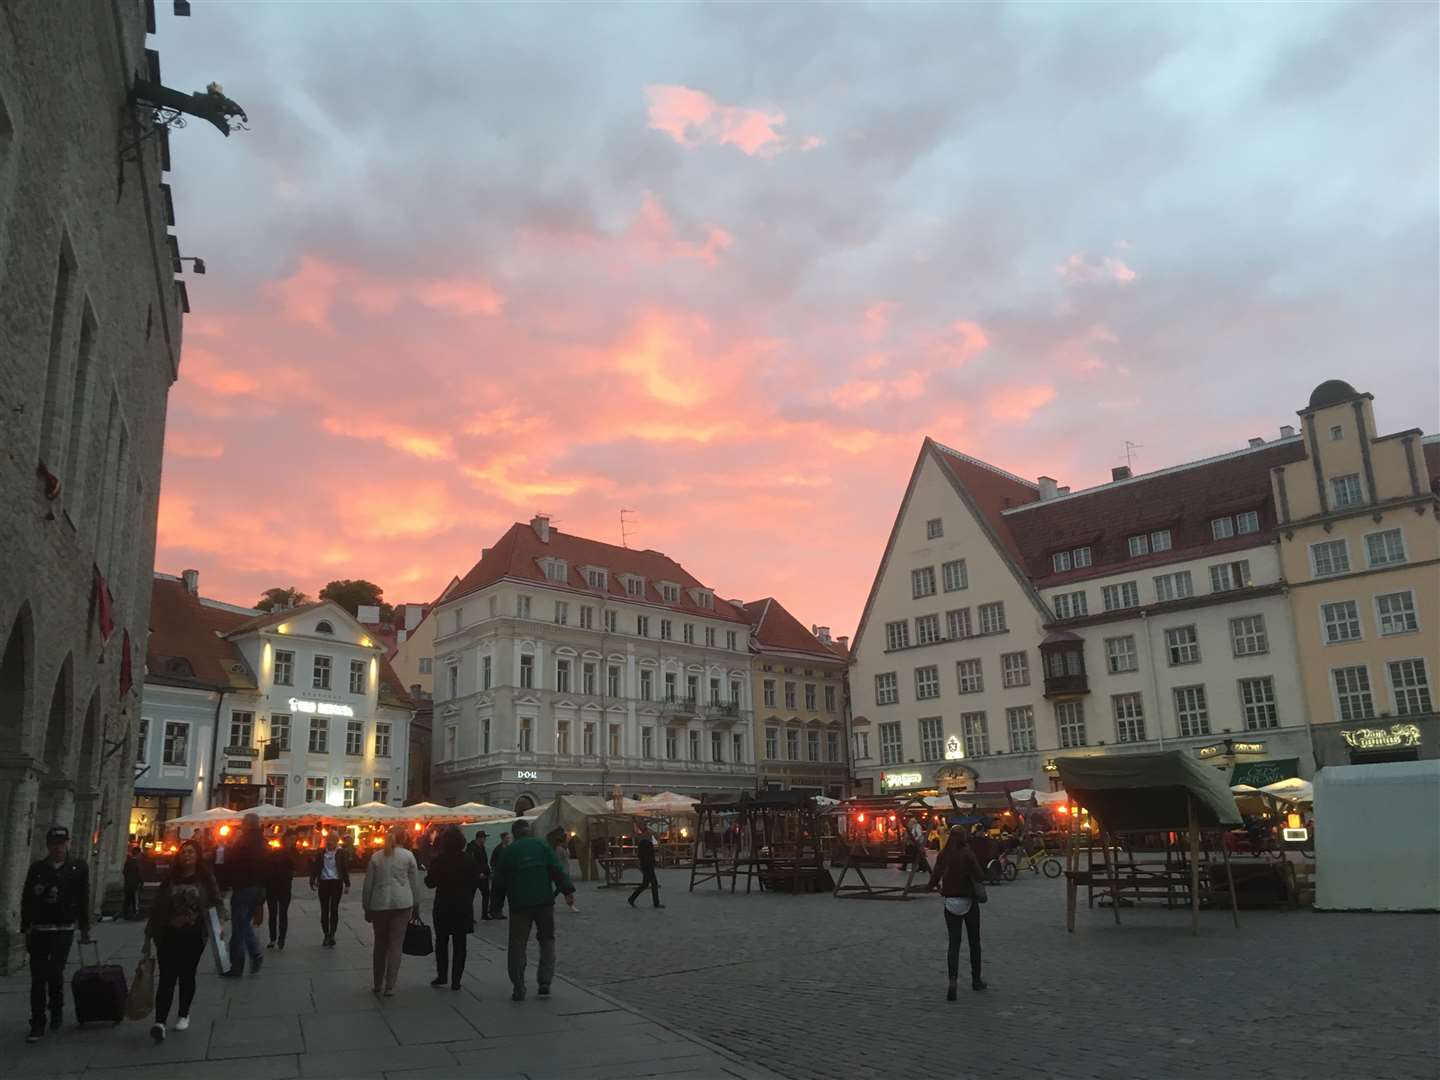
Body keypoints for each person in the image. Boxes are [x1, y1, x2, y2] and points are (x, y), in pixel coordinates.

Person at [145, 839, 223, 1041]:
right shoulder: (170, 879)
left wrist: (219, 924)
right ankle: (160, 1021)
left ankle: (183, 1013)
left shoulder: (205, 878)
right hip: (169, 933)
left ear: (197, 856)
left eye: (190, 852)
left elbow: (216, 901)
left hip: (194, 935)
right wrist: (148, 934)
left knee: (187, 975)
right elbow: (157, 907)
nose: (186, 855)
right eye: (183, 852)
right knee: (166, 977)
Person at [20, 825, 92, 1043]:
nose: (58, 848)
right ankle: (38, 1021)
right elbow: (27, 897)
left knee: (54, 970)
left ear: (67, 844)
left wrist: (85, 927)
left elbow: (83, 897)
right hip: (40, 928)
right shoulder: (38, 869)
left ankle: (57, 1008)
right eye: (54, 844)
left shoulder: (77, 868)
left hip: (64, 928)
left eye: (61, 844)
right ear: (48, 846)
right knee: (38, 976)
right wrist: (25, 925)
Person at [492, 820, 575, 1001]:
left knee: (517, 944)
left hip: (519, 905)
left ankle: (518, 986)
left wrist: (496, 907)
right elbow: (557, 870)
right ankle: (544, 982)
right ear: (529, 832)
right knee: (547, 940)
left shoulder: (509, 852)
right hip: (544, 902)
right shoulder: (542, 846)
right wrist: (567, 891)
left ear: (514, 834)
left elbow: (498, 882)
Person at [362, 827, 421, 996]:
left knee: (380, 944)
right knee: (396, 945)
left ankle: (377, 983)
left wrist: (366, 906)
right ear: (404, 838)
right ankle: (390, 985)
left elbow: (368, 885)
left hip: (379, 904)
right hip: (402, 903)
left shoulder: (376, 856)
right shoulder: (408, 856)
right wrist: (416, 905)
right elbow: (415, 883)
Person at [929, 826, 986, 999]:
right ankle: (976, 980)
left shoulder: (944, 855)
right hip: (968, 901)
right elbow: (980, 876)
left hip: (950, 903)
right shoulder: (967, 854)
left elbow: (934, 877)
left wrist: (930, 887)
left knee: (954, 944)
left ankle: (952, 981)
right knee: (974, 942)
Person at [425, 827, 478, 990]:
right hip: (462, 905)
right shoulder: (469, 859)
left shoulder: (439, 860)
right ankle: (456, 980)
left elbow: (430, 883)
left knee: (441, 941)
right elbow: (475, 882)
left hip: (443, 905)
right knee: (460, 944)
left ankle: (442, 976)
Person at [217, 813, 266, 977]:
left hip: (243, 887)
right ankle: (242, 961)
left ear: (247, 824)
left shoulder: (244, 842)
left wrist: (225, 849)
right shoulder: (262, 841)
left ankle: (249, 957)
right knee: (241, 925)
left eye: (243, 823)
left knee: (240, 925)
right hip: (257, 887)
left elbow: (232, 862)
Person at [309, 831, 351, 947]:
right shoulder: (321, 853)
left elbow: (344, 868)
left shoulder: (341, 853)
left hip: (336, 882)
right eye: (328, 839)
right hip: (324, 882)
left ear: (336, 841)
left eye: (332, 840)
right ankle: (326, 934)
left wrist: (347, 884)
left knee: (334, 909)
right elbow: (316, 867)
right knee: (324, 909)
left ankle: (332, 934)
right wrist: (312, 880)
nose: (329, 842)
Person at [264, 839, 293, 950]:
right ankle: (281, 939)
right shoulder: (287, 856)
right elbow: (294, 868)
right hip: (284, 889)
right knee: (282, 914)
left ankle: (273, 939)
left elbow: (264, 873)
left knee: (273, 914)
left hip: (271, 889)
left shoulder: (267, 858)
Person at [627, 822, 663, 909]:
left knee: (645, 884)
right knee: (653, 883)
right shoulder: (644, 843)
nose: (650, 834)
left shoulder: (645, 842)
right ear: (646, 833)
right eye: (648, 832)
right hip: (647, 866)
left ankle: (632, 899)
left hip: (647, 865)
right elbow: (645, 856)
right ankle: (656, 903)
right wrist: (650, 864)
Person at [465, 831, 492, 921]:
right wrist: (478, 873)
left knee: (486, 894)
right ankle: (469, 917)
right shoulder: (471, 848)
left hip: (483, 876)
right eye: (484, 838)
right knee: (470, 897)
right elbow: (471, 862)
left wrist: (488, 872)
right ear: (479, 838)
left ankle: (484, 914)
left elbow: (484, 861)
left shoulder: (482, 847)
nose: (485, 839)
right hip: (474, 877)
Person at [488, 833, 511, 919]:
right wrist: (495, 870)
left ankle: (498, 911)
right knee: (497, 894)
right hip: (499, 875)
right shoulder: (498, 849)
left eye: (509, 838)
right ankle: (494, 911)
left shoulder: (508, 848)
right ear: (503, 838)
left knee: (502, 895)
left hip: (506, 875)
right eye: (507, 838)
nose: (508, 839)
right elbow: (492, 861)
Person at [123, 846, 144, 920]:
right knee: (134, 899)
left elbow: (124, 872)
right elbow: (139, 874)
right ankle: (135, 913)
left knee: (128, 899)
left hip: (129, 883)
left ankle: (126, 913)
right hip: (134, 884)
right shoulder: (136, 862)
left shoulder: (128, 861)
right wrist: (141, 882)